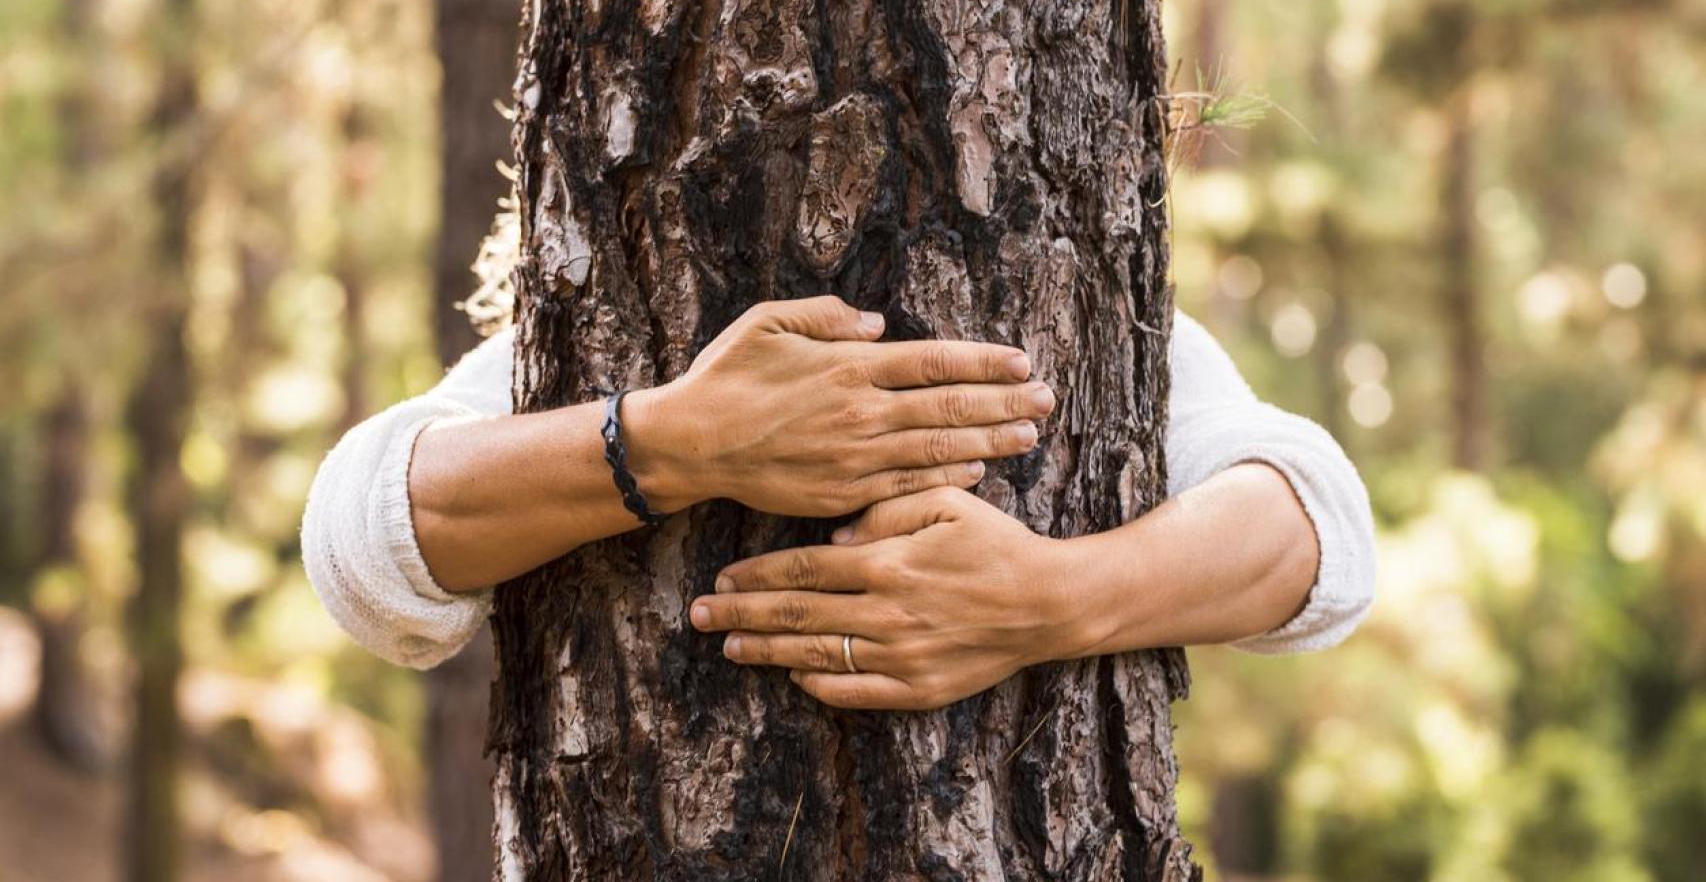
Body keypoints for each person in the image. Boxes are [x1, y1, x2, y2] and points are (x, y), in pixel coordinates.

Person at [302, 295, 1375, 710]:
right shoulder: (598, 302)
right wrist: (678, 440)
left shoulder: (1090, 309)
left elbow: (1314, 530)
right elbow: (359, 543)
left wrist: (1048, 598)